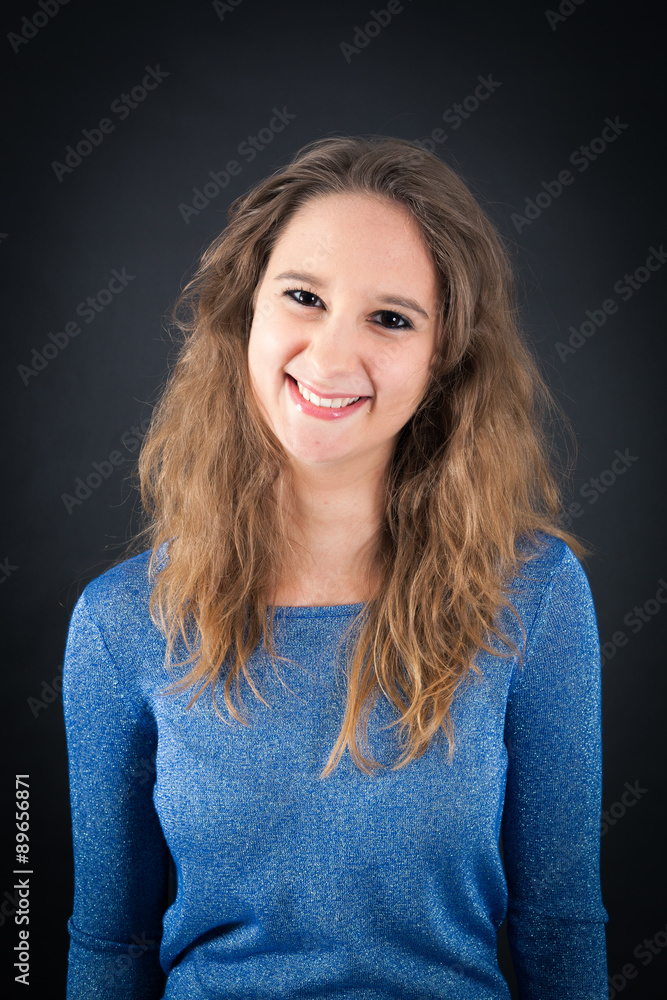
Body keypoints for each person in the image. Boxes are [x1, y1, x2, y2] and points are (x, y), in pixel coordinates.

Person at [62, 134, 609, 999]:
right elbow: (106, 939)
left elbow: (560, 921)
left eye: (390, 318)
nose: (329, 355)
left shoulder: (534, 595)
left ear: (443, 361)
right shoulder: (120, 620)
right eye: (304, 297)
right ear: (247, 311)